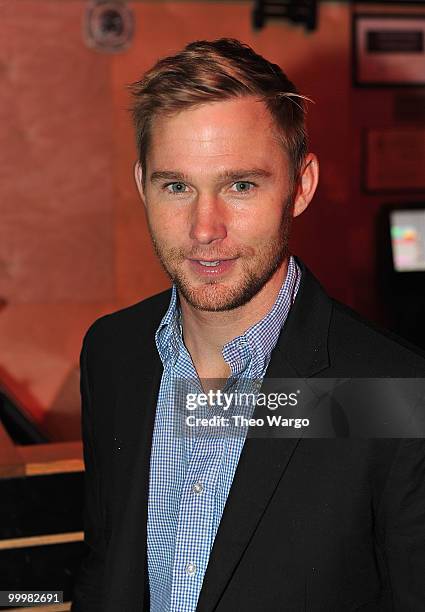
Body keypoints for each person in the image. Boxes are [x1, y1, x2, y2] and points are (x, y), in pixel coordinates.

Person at [71, 38, 425, 612]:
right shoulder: (113, 353)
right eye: (177, 185)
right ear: (142, 185)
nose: (204, 228)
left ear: (301, 185)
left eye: (241, 185)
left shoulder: (395, 393)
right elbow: (104, 567)